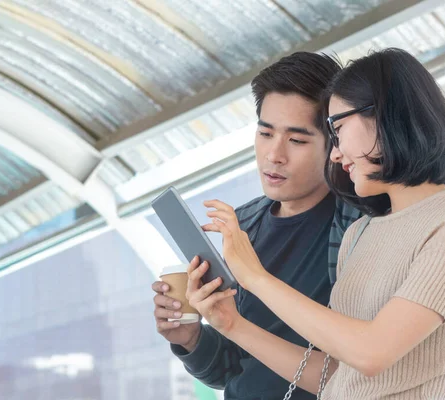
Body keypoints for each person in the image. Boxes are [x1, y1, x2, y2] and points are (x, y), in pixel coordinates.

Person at [191, 48, 445, 399]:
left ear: (384, 119)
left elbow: (371, 353)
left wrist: (254, 277)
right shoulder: (359, 232)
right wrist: (233, 325)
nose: (335, 154)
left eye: (337, 130)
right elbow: (335, 376)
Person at [151, 51, 362, 400]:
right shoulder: (244, 223)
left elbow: (357, 373)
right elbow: (236, 367)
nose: (274, 154)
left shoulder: (357, 227)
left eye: (296, 140)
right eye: (265, 133)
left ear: (333, 145)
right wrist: (191, 340)